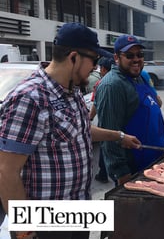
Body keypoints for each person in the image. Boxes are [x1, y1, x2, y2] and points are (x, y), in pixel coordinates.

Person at [0, 22, 140, 239]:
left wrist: (118, 136)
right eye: (93, 60)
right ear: (73, 57)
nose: (95, 67)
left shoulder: (71, 90)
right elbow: (6, 171)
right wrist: (25, 232)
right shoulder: (30, 98)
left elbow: (80, 130)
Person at [95, 34, 164, 185]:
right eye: (129, 55)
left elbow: (155, 103)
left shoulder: (139, 77)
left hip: (155, 159)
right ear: (117, 58)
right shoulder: (112, 85)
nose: (136, 59)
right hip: (135, 166)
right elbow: (109, 134)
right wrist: (122, 174)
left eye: (140, 55)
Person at [89, 54, 116, 184]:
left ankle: (103, 173)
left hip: (105, 120)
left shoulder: (102, 83)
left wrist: (90, 117)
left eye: (100, 68)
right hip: (119, 120)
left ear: (104, 69)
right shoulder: (119, 80)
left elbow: (95, 103)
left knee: (105, 146)